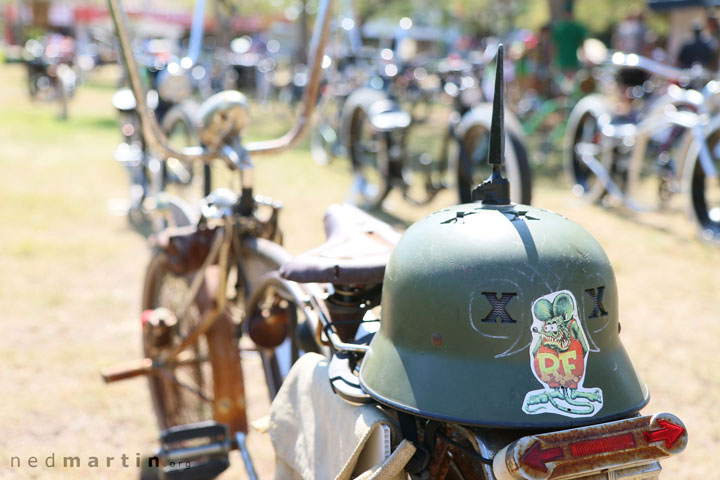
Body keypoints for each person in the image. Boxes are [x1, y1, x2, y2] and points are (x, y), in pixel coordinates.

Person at [550, 2, 587, 72]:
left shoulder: (558, 28)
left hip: (561, 63)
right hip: (574, 63)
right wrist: (584, 59)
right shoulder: (578, 28)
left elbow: (554, 46)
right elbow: (582, 46)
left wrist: (553, 61)